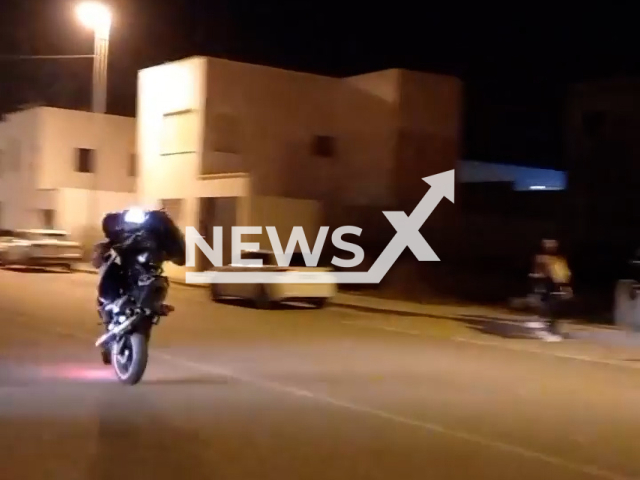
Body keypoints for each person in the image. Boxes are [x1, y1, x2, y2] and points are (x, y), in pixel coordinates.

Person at [526, 239, 573, 341]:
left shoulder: (558, 260)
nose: (551, 246)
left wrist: (565, 285)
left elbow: (563, 274)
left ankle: (551, 327)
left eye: (552, 245)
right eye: (548, 245)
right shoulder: (542, 258)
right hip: (545, 284)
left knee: (554, 307)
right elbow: (538, 271)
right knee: (546, 306)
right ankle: (545, 328)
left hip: (554, 285)